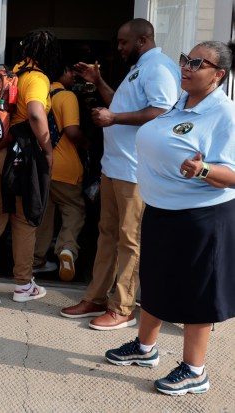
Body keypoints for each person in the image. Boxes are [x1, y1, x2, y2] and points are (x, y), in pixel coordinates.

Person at [105, 40, 235, 396]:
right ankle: (145, 349)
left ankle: (195, 370)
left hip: (202, 217)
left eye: (197, 63)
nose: (186, 67)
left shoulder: (225, 113)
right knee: (157, 280)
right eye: (185, 60)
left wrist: (204, 168)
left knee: (196, 293)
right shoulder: (180, 102)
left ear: (218, 75)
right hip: (162, 210)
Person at [60, 18, 180, 329]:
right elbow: (121, 105)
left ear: (142, 40)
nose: (119, 47)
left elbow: (162, 111)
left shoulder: (159, 68)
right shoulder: (138, 70)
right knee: (107, 235)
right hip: (114, 168)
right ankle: (96, 297)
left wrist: (113, 118)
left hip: (135, 170)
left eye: (124, 42)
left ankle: (123, 307)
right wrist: (98, 81)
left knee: (130, 239)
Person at [0, 30, 64, 306]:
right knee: (24, 218)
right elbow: (34, 111)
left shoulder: (10, 72)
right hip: (20, 158)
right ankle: (23, 285)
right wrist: (47, 151)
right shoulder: (37, 77)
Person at [33, 66, 88, 282]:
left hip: (42, 166)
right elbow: (72, 131)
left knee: (44, 216)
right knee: (73, 210)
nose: (73, 76)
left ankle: (36, 260)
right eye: (70, 71)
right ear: (61, 72)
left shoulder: (39, 94)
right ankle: (67, 249)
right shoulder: (67, 96)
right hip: (66, 167)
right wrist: (87, 143)